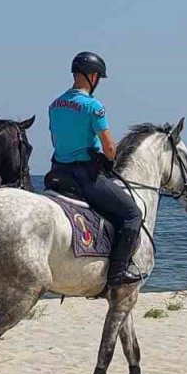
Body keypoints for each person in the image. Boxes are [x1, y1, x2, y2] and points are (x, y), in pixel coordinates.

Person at [45, 51, 143, 289]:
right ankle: (117, 272)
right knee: (132, 214)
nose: (98, 80)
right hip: (84, 175)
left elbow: (55, 138)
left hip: (58, 173)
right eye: (98, 76)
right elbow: (109, 146)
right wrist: (109, 159)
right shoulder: (92, 106)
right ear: (91, 76)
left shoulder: (55, 105)